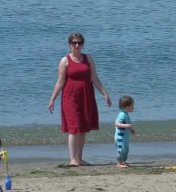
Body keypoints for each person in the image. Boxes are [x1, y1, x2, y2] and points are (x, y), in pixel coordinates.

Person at [47, 32, 111, 166]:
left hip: (86, 94)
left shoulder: (88, 58)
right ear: (69, 45)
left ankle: (79, 158)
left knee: (83, 127)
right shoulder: (65, 60)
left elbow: (94, 78)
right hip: (70, 96)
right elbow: (60, 82)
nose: (77, 45)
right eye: (74, 43)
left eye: (79, 43)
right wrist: (52, 99)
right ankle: (72, 159)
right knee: (73, 127)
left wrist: (104, 94)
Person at [114, 95, 136, 168]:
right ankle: (119, 163)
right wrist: (126, 126)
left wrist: (131, 130)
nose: (134, 107)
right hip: (120, 137)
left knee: (125, 150)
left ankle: (123, 161)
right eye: (132, 106)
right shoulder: (122, 115)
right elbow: (117, 124)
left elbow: (128, 124)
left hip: (124, 138)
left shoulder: (126, 114)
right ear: (127, 107)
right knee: (121, 150)